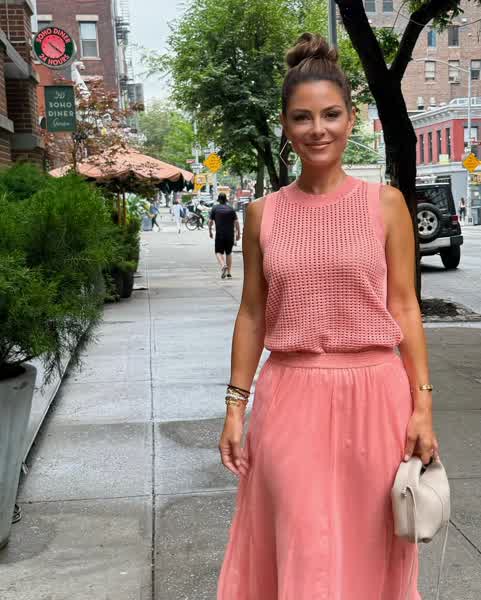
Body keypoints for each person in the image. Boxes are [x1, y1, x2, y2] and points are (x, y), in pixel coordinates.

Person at [217, 33, 440, 600]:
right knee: (301, 543)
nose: (318, 129)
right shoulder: (261, 215)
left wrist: (423, 406)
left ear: (352, 118)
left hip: (377, 395)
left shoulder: (386, 204)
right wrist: (235, 406)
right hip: (290, 394)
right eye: (302, 117)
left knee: (372, 547)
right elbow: (252, 313)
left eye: (331, 114)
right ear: (285, 125)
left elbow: (405, 305)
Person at [209, 193, 241, 279]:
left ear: (219, 200)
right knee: (228, 252)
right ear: (226, 200)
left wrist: (210, 231)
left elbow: (210, 221)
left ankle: (223, 265)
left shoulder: (215, 208)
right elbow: (236, 222)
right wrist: (238, 233)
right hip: (230, 235)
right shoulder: (231, 209)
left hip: (220, 235)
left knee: (218, 252)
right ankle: (229, 273)